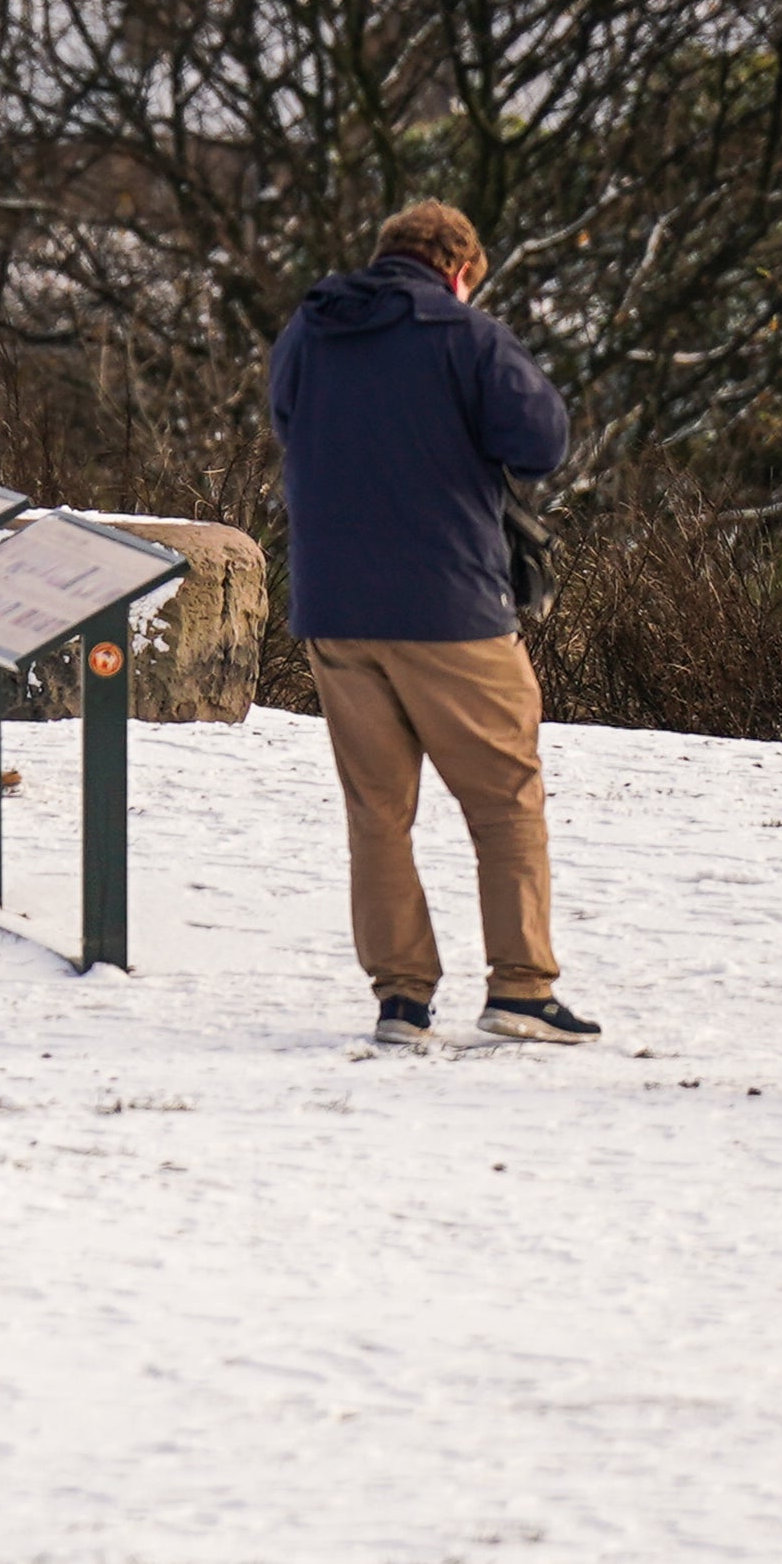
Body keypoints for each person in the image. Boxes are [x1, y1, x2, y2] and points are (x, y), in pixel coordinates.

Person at [267, 197, 591, 1050]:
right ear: (457, 268)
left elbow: (288, 427)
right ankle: (521, 986)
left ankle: (401, 999)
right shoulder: (465, 336)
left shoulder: (309, 330)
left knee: (377, 811)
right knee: (504, 799)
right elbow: (541, 441)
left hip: (335, 608)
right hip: (450, 609)